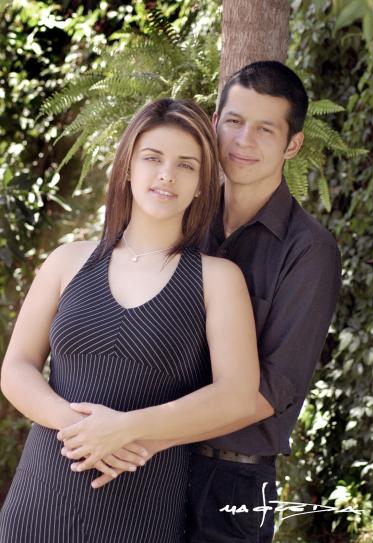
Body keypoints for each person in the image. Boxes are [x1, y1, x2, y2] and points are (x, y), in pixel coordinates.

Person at [82, 62, 342, 542]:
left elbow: (270, 389)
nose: (244, 141)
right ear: (214, 121)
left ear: (293, 144)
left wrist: (141, 436)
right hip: (143, 466)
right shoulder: (176, 220)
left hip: (231, 483)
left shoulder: (309, 250)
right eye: (234, 122)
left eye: (266, 129)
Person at [0, 98, 261, 543]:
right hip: (38, 504)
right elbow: (16, 367)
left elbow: (237, 395)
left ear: (202, 184)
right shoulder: (67, 261)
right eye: (152, 158)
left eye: (185, 165)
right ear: (126, 167)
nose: (166, 175)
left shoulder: (219, 280)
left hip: (142, 511)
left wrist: (126, 428)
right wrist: (78, 427)